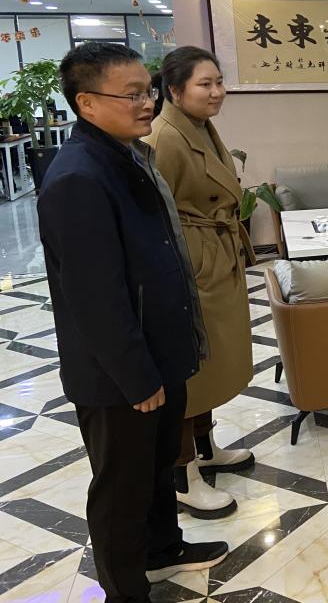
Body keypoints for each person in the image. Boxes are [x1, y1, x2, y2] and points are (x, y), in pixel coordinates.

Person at [38, 43, 227, 603]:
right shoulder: (78, 177)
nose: (148, 103)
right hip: (120, 375)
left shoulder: (128, 156)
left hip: (158, 354)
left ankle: (161, 551)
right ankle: (125, 589)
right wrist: (137, 376)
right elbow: (94, 299)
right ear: (87, 103)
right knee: (121, 485)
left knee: (156, 467)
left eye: (149, 91)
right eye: (133, 94)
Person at [145, 46, 256, 519]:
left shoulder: (199, 126)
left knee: (211, 366)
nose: (216, 92)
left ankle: (206, 450)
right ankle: (182, 476)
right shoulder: (163, 137)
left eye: (219, 82)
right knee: (190, 371)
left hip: (213, 253)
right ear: (175, 91)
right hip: (193, 263)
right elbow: (156, 215)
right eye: (204, 84)